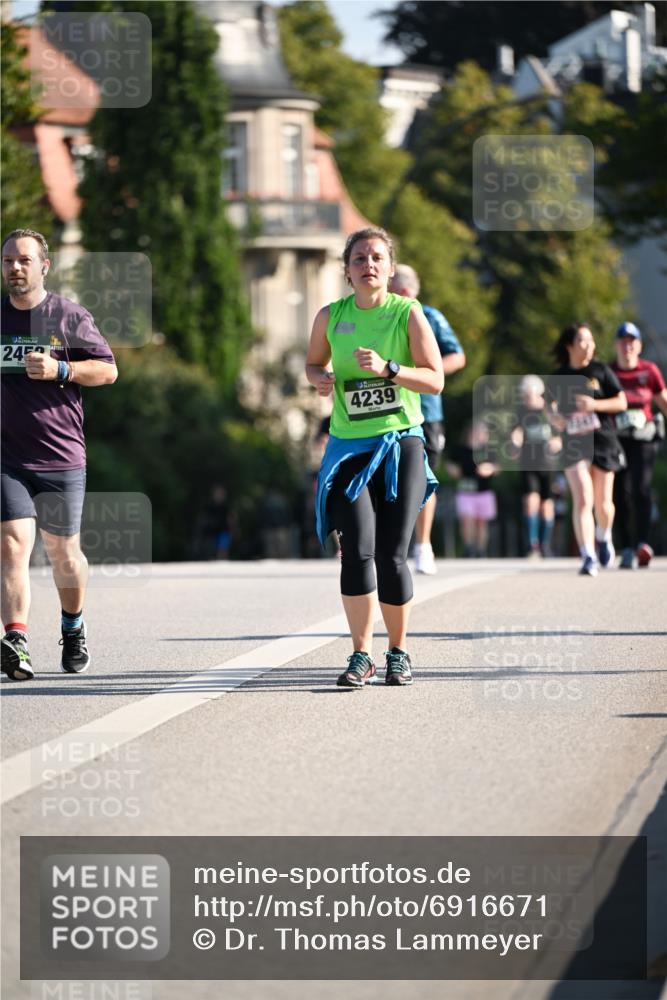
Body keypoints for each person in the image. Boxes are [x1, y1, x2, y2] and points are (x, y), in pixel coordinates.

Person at [306, 227, 443, 688]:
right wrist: (319, 379)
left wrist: (391, 369)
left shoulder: (407, 313)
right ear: (347, 270)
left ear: (390, 267)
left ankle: (398, 653)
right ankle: (361, 654)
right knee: (356, 551)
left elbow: (436, 379)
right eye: (360, 258)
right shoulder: (331, 316)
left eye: (377, 258)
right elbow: (313, 363)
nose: (369, 265)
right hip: (349, 447)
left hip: (400, 444)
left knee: (392, 554)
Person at [1, 229, 118, 681]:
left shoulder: (68, 316)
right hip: (7, 457)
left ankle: (73, 626)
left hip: (59, 455)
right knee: (12, 543)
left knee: (64, 554)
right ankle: (16, 641)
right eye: (8, 260)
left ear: (44, 266)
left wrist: (61, 368)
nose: (15, 267)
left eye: (24, 260)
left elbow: (107, 370)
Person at [389, 264, 466, 574]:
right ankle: (388, 545)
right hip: (387, 411)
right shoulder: (375, 316)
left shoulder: (430, 317)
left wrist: (424, 372)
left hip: (425, 412)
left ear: (404, 291)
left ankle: (423, 546)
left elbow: (457, 356)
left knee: (424, 478)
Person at [548, 323, 626, 577]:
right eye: (583, 340)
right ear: (569, 345)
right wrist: (555, 418)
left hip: (602, 441)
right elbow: (549, 406)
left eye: (591, 341)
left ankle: (604, 535)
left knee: (604, 505)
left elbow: (621, 402)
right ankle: (588, 555)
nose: (589, 345)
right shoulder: (558, 376)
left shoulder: (601, 370)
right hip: (573, 443)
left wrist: (594, 405)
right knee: (583, 498)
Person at [610, 321, 667, 569]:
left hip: (644, 438)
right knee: (619, 493)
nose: (627, 347)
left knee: (641, 489)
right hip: (616, 440)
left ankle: (643, 543)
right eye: (623, 342)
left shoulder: (649, 371)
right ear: (616, 345)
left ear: (639, 346)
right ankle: (626, 547)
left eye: (632, 342)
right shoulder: (609, 372)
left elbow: (663, 400)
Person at [510, 375, 561, 558]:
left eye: (528, 395)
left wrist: (559, 441)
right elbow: (516, 432)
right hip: (528, 463)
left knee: (547, 504)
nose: (526, 398)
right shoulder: (521, 412)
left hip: (548, 464)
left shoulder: (549, 410)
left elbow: (562, 431)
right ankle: (532, 545)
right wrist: (514, 443)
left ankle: (545, 544)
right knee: (530, 501)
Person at [447, 421, 499, 558]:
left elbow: (497, 468)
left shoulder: (489, 451)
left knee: (482, 522)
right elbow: (450, 465)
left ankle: (481, 550)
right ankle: (469, 547)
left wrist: (489, 469)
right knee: (467, 520)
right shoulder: (460, 449)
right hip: (465, 492)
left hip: (484, 492)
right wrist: (453, 470)